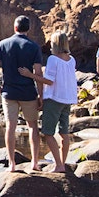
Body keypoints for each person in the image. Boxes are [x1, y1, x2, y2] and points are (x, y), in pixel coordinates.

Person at [0, 15, 44, 171]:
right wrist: (41, 95)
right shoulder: (34, 47)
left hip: (9, 93)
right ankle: (34, 163)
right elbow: (38, 73)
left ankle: (12, 164)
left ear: (15, 28)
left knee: (10, 127)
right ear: (28, 29)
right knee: (33, 126)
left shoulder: (2, 44)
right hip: (28, 93)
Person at [20, 30, 77, 172]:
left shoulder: (53, 59)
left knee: (48, 132)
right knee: (64, 133)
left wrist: (29, 75)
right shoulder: (71, 59)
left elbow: (49, 81)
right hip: (67, 99)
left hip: (54, 99)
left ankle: (59, 165)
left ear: (55, 44)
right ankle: (62, 164)